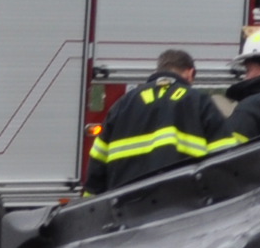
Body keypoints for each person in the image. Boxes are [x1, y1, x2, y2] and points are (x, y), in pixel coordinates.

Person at [84, 48, 225, 193]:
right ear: (190, 73)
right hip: (182, 205)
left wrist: (90, 208)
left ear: (158, 70)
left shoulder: (122, 104)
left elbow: (97, 166)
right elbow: (225, 158)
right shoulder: (199, 102)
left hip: (126, 208)